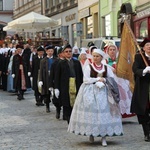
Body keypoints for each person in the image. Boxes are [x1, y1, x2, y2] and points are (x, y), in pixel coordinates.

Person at [68, 48, 123, 147]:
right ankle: (91, 134)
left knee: (104, 113)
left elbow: (111, 78)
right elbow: (86, 79)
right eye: (94, 56)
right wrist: (97, 79)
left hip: (104, 92)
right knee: (92, 112)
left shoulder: (106, 67)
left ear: (101, 57)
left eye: (97, 56)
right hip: (91, 91)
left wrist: (104, 81)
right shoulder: (88, 67)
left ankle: (103, 137)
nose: (95, 58)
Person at [102, 44, 134, 118]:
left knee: (122, 96)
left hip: (121, 80)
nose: (112, 51)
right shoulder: (104, 61)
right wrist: (111, 70)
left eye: (114, 50)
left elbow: (126, 69)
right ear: (107, 51)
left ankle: (121, 113)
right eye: (111, 50)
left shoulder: (121, 60)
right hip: (110, 81)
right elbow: (103, 70)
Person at [54, 44, 83, 123]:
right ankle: (68, 119)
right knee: (66, 103)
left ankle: (75, 118)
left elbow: (81, 75)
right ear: (63, 53)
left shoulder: (77, 62)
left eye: (70, 51)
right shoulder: (61, 63)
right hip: (65, 86)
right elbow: (57, 76)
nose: (68, 53)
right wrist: (56, 88)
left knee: (76, 102)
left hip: (76, 84)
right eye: (66, 51)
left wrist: (82, 85)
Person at [131, 38, 150, 142]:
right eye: (147, 45)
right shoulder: (139, 57)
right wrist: (144, 71)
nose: (149, 47)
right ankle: (147, 133)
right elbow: (135, 69)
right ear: (143, 48)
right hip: (143, 88)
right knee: (144, 112)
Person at [38, 45, 57, 112]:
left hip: (54, 77)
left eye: (51, 51)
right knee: (46, 93)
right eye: (49, 51)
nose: (50, 52)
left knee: (55, 93)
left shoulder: (56, 59)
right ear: (46, 52)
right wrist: (40, 80)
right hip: (46, 78)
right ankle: (47, 106)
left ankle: (57, 106)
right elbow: (41, 70)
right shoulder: (43, 60)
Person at [49, 46, 65, 119]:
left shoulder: (69, 62)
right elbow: (51, 75)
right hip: (57, 83)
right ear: (59, 54)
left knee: (66, 100)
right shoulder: (55, 63)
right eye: (63, 52)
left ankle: (66, 114)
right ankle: (58, 110)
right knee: (57, 100)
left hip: (65, 83)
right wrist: (51, 86)